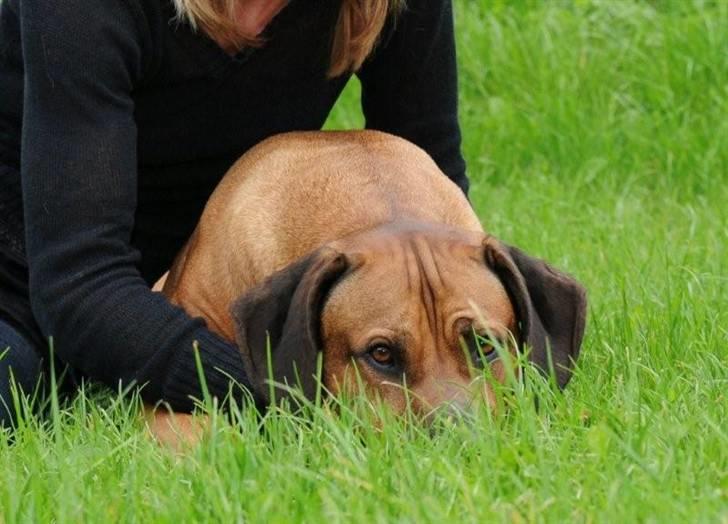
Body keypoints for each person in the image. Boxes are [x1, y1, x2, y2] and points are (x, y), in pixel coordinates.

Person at [0, 0, 468, 428]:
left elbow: (435, 216)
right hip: (25, 274)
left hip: (181, 288)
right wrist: (285, 397)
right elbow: (77, 285)